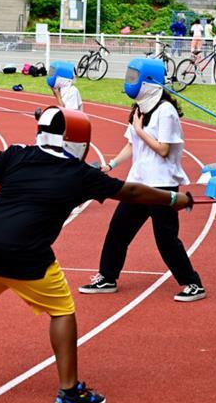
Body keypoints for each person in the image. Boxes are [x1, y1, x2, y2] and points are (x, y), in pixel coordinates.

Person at [0, 106, 193, 403]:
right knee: (62, 311)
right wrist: (174, 198)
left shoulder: (15, 154)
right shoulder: (81, 175)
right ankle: (69, 392)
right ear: (77, 141)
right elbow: (131, 192)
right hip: (28, 258)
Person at [79, 59, 205, 302]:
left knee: (166, 240)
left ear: (148, 81)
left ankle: (193, 284)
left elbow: (164, 150)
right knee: (118, 230)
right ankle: (107, 277)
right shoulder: (139, 108)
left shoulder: (166, 111)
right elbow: (131, 145)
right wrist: (110, 165)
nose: (130, 80)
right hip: (138, 183)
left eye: (134, 76)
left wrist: (140, 130)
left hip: (161, 185)